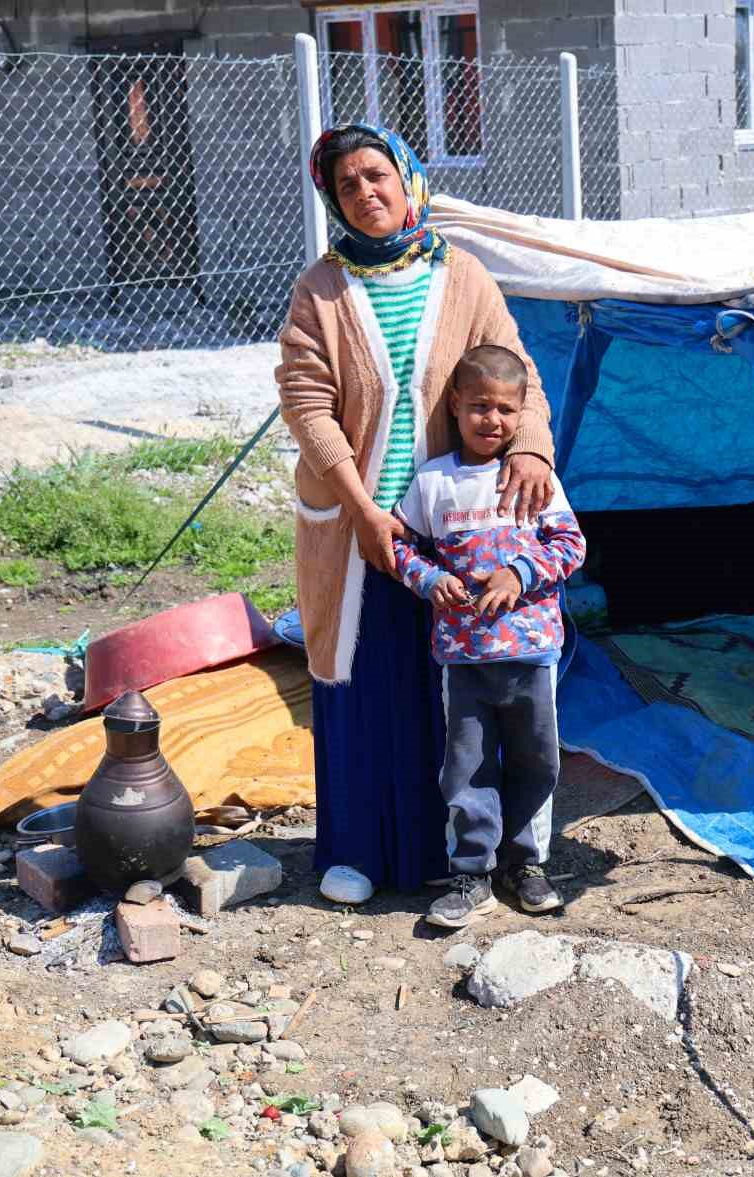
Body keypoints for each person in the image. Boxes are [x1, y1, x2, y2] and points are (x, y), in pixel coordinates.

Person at [276, 123, 556, 902]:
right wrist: (362, 509)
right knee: (362, 681)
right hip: (357, 522)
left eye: (377, 176)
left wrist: (530, 448)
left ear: (407, 179)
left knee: (452, 692)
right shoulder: (321, 289)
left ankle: (455, 857)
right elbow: (306, 401)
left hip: (453, 528)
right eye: (346, 185)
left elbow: (516, 369)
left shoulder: (462, 275)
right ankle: (359, 852)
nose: (366, 193)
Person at [390, 345, 585, 927]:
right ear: (455, 405)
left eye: (504, 409)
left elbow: (571, 545)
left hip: (531, 652)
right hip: (464, 656)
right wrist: (429, 581)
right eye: (479, 406)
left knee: (536, 760)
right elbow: (400, 544)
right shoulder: (433, 482)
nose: (491, 421)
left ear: (521, 413)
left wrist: (518, 574)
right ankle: (471, 872)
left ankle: (525, 864)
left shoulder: (533, 478)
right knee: (466, 767)